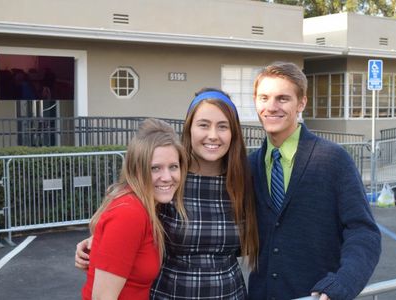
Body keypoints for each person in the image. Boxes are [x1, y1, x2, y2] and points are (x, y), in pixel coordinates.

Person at [76, 88, 259, 299]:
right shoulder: (169, 179)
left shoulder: (245, 181)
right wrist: (96, 241)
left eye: (223, 126)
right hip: (168, 294)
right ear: (189, 128)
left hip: (230, 293)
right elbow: (129, 220)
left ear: (234, 133)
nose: (213, 135)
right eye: (203, 125)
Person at [247, 61, 381, 300]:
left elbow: (363, 231)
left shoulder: (333, 159)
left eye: (282, 98)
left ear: (301, 103)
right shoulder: (250, 166)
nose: (271, 107)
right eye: (264, 97)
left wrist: (342, 283)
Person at [81, 118, 188, 300]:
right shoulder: (129, 213)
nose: (167, 177)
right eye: (155, 168)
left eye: (173, 167)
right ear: (137, 169)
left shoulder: (147, 206)